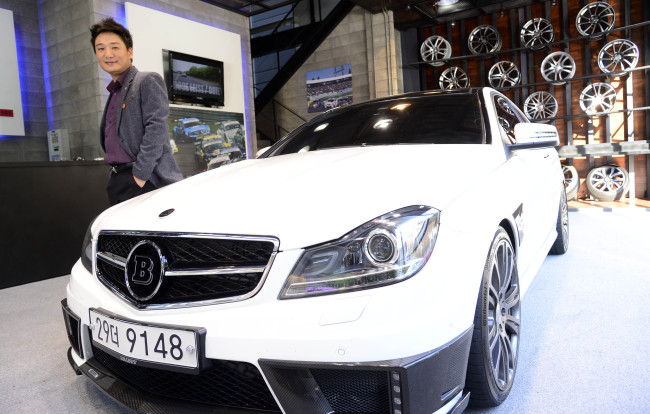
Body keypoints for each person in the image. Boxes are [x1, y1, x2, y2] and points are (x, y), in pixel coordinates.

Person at [90, 18, 183, 205]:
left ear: (129, 51)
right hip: (118, 179)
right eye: (100, 48)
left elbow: (156, 129)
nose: (108, 54)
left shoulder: (146, 80)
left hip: (144, 179)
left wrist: (139, 176)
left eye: (114, 47)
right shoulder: (114, 91)